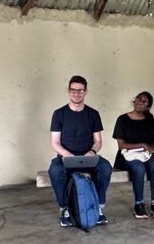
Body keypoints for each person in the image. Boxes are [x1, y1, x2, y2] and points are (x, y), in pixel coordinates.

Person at [48, 75, 112, 227]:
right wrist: (67, 155)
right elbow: (55, 142)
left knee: (105, 168)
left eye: (80, 91)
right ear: (68, 91)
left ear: (86, 92)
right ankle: (65, 209)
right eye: (73, 90)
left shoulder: (93, 114)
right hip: (66, 157)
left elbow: (98, 141)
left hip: (88, 157)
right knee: (55, 171)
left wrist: (92, 152)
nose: (76, 94)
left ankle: (98, 208)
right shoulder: (59, 114)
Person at [113, 91, 154, 219]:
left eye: (144, 101)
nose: (139, 102)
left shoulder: (150, 121)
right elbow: (121, 145)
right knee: (138, 167)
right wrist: (142, 145)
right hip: (126, 156)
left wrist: (149, 149)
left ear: (148, 107)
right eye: (138, 99)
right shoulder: (122, 119)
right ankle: (139, 205)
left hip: (144, 155)